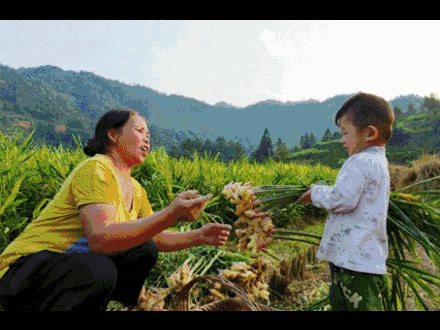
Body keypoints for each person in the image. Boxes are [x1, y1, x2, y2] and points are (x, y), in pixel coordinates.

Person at [0, 108, 231, 311]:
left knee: (143, 249)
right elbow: (100, 238)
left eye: (149, 135)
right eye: (140, 131)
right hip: (21, 273)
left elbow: (153, 236)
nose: (147, 140)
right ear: (113, 135)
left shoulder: (137, 189)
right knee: (99, 269)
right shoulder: (96, 169)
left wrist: (199, 236)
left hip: (63, 269)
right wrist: (170, 214)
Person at [297, 92, 395, 311]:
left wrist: (315, 193)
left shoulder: (359, 161)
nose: (342, 140)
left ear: (369, 133)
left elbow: (342, 199)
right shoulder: (378, 162)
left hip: (355, 264)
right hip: (358, 261)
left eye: (345, 133)